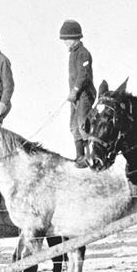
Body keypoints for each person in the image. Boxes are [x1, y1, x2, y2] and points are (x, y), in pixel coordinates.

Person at [60, 20, 96, 168]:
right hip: (76, 96)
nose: (65, 43)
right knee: (74, 126)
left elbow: (84, 75)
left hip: (84, 95)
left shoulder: (83, 53)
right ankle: (80, 156)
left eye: (66, 39)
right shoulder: (73, 54)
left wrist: (75, 91)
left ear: (74, 38)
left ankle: (89, 156)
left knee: (83, 125)